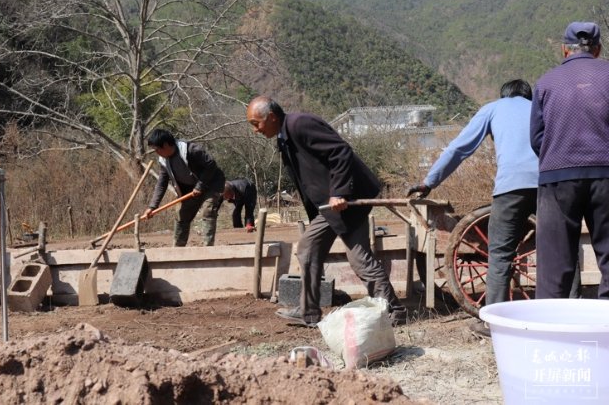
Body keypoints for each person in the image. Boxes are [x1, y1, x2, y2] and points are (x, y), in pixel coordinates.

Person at [246, 95, 407, 327]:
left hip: (344, 201)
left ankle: (391, 310)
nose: (255, 130)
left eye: (256, 123)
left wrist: (339, 191)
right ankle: (310, 311)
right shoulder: (284, 137)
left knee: (317, 250)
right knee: (330, 253)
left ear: (271, 117)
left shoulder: (300, 124)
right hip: (331, 206)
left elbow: (340, 151)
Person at [407, 79, 537, 337]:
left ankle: (493, 324)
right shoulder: (540, 108)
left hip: (510, 187)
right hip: (551, 184)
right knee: (561, 248)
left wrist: (429, 182)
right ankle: (564, 312)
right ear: (528, 96)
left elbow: (459, 148)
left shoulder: (493, 108)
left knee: (499, 254)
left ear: (504, 95)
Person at [530, 21, 609, 299]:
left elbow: (537, 139)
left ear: (565, 49)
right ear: (598, 49)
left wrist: (560, 154)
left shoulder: (545, 83)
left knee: (554, 267)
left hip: (558, 176)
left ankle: (550, 333)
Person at [143, 128, 225, 247]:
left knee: (208, 211)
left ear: (165, 145)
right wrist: (152, 206)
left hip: (210, 184)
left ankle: (208, 247)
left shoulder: (191, 150)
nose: (156, 153)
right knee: (181, 215)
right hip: (189, 190)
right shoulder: (163, 161)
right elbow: (161, 183)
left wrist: (200, 185)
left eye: (156, 149)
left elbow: (211, 165)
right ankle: (178, 248)